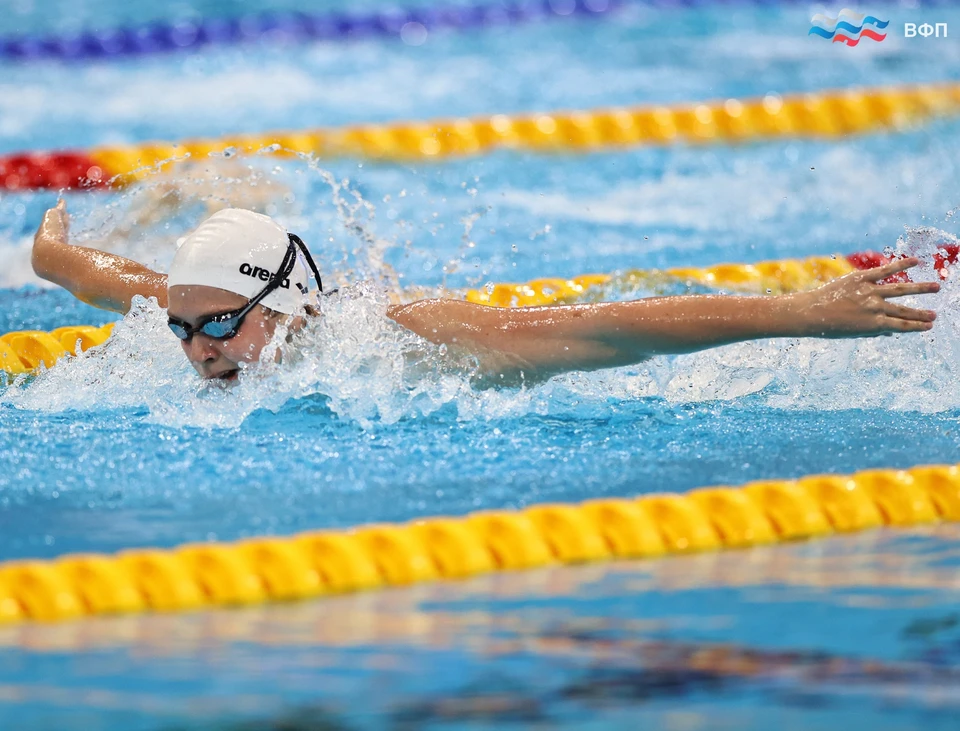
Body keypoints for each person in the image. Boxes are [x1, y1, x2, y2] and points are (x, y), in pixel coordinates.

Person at [31, 202, 939, 385]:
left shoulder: (398, 338)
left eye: (218, 325)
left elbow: (604, 328)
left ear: (284, 303)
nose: (197, 349)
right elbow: (122, 284)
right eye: (183, 330)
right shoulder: (210, 315)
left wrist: (798, 314)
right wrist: (55, 258)